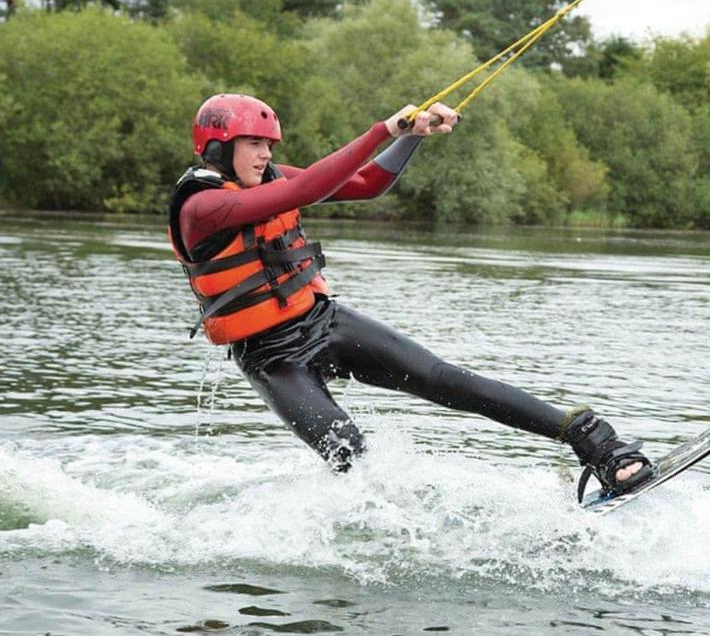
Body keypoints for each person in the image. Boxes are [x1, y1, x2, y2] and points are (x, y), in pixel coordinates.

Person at [168, 93, 653, 500]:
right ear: (216, 147)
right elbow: (314, 186)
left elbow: (366, 184)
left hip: (322, 322)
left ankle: (596, 443)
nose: (265, 156)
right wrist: (385, 129)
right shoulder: (202, 207)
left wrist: (412, 135)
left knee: (444, 379)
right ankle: (414, 532)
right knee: (350, 456)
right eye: (254, 144)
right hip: (272, 358)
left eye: (269, 146)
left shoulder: (267, 177)